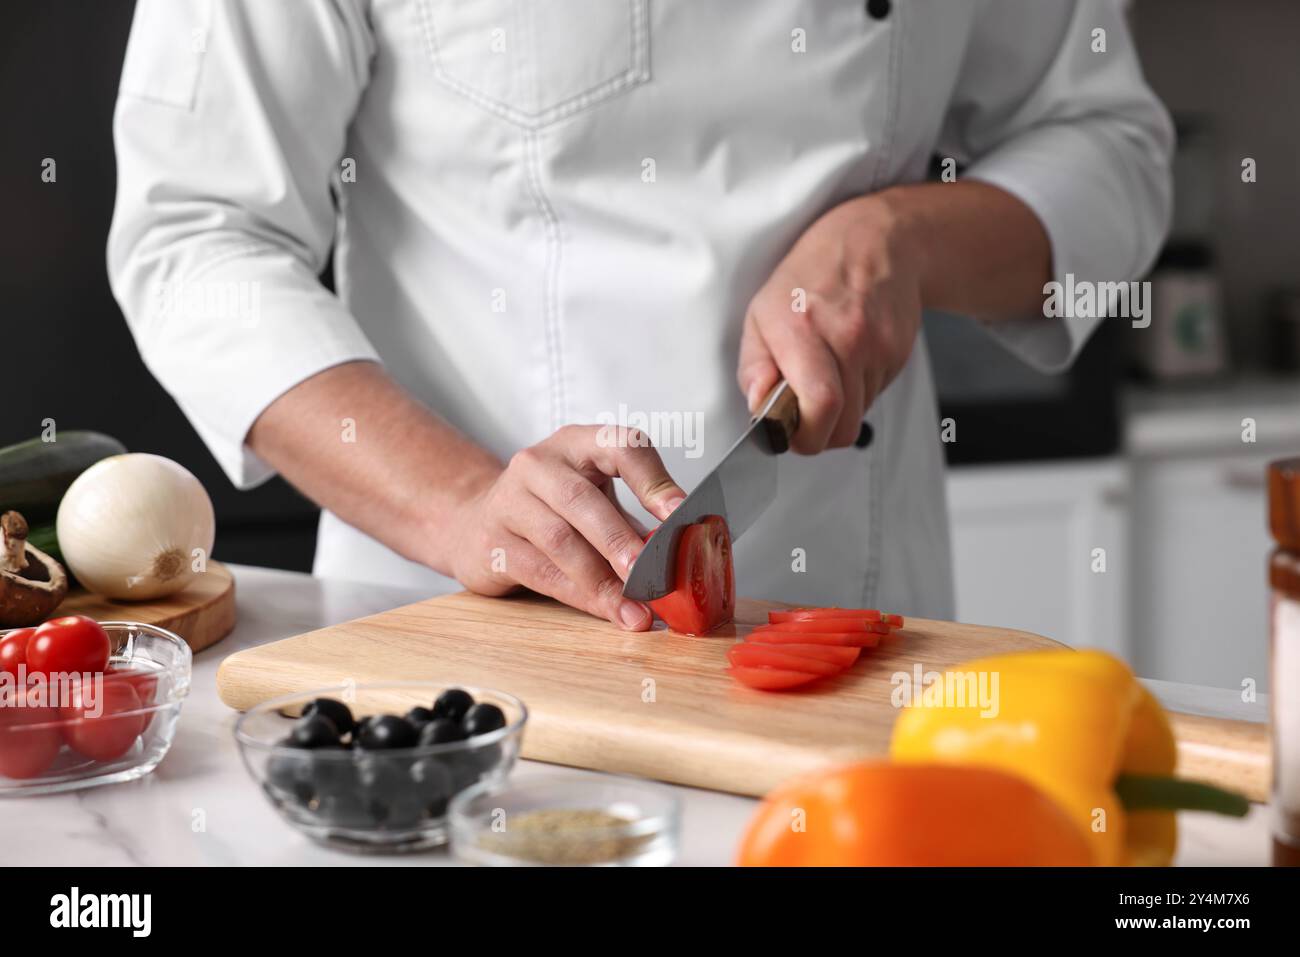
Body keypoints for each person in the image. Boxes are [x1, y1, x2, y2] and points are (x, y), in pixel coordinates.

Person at [108, 0, 1171, 629]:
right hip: (460, 644)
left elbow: (1104, 142)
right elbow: (196, 232)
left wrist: (901, 238)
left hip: (852, 626)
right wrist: (463, 505)